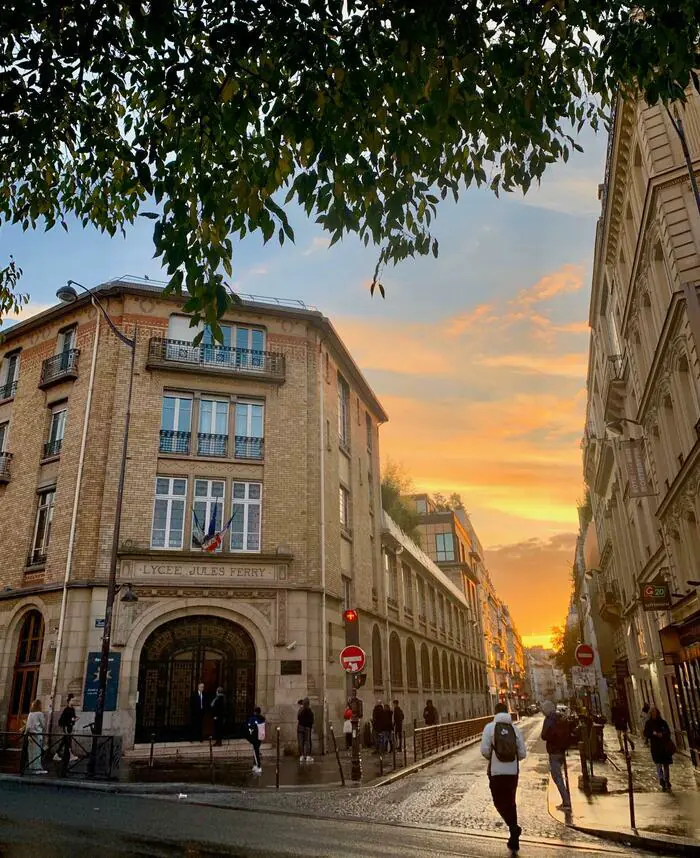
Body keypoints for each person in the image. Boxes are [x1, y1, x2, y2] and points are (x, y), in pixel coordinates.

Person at [480, 702, 526, 853]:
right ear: (507, 712)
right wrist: (510, 759)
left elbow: (485, 751)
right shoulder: (515, 729)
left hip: (496, 772)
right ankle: (514, 838)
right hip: (513, 772)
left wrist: (496, 757)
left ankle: (513, 828)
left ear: (495, 712)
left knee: (498, 802)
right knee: (511, 801)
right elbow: (522, 754)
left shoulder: (489, 728)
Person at [541, 700, 571, 810]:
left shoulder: (549, 720)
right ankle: (567, 799)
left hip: (553, 752)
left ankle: (566, 802)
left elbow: (543, 735)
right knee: (560, 776)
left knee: (557, 777)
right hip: (562, 751)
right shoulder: (560, 717)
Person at [643, 706, 674, 791]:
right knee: (658, 764)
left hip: (664, 746)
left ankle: (667, 781)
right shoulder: (649, 723)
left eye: (655, 713)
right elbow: (646, 733)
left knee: (666, 764)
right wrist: (653, 734)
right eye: (652, 713)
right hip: (655, 746)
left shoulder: (663, 722)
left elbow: (668, 732)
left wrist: (662, 734)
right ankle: (662, 780)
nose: (654, 714)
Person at [53, 694, 78, 762]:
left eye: (73, 700)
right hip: (66, 727)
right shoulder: (66, 709)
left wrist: (75, 719)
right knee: (68, 741)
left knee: (65, 741)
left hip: (70, 726)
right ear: (69, 701)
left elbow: (73, 717)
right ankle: (70, 755)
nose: (73, 701)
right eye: (72, 700)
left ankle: (57, 754)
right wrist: (71, 720)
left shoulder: (72, 709)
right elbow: (64, 719)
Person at [25, 699, 47, 774]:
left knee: (30, 751)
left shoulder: (30, 714)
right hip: (37, 734)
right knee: (37, 752)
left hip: (30, 734)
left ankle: (31, 766)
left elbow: (27, 726)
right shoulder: (40, 714)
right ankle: (37, 768)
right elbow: (43, 725)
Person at [246, 706, 266, 774]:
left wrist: (249, 733)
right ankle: (255, 765)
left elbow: (249, 727)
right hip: (260, 736)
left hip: (254, 737)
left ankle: (259, 766)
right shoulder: (262, 718)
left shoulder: (252, 718)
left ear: (255, 712)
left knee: (255, 752)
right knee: (256, 750)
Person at [297, 697, 314, 762]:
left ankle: (301, 755)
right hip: (307, 728)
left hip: (300, 727)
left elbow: (298, 718)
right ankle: (308, 756)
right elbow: (312, 720)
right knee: (307, 741)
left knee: (301, 742)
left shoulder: (300, 710)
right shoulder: (309, 710)